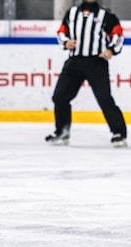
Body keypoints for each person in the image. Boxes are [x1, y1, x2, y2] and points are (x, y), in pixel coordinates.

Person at [46, 0, 127, 148]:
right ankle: (62, 131)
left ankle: (119, 133)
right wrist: (65, 42)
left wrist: (111, 50)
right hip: (75, 61)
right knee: (60, 96)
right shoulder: (72, 13)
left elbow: (118, 34)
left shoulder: (106, 15)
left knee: (104, 99)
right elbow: (62, 31)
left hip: (96, 62)